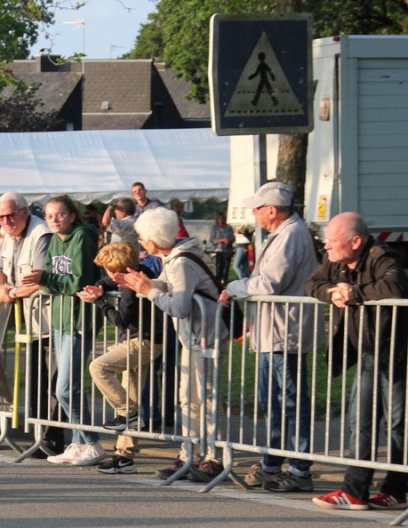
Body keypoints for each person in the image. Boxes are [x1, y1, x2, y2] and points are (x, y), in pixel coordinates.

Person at [307, 212, 408, 511]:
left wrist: (354, 294)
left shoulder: (383, 257)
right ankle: (354, 491)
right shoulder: (335, 261)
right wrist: (331, 292)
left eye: (332, 240)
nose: (326, 246)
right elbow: (312, 283)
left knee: (397, 422)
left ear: (356, 242)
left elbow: (394, 287)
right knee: (359, 420)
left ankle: (396, 490)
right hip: (368, 351)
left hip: (402, 352)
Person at [219, 181, 318, 493]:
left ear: (272, 211)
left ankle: (299, 469)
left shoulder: (291, 234)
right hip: (273, 331)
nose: (254, 213)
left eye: (258, 208)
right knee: (273, 402)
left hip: (284, 332)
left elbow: (268, 283)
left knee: (289, 401)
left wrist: (234, 287)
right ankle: (272, 463)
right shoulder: (285, 233)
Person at [116, 207, 220, 481]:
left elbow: (179, 306)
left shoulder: (182, 261)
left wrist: (148, 291)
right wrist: (141, 283)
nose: (140, 242)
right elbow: (166, 285)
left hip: (204, 338)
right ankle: (189, 454)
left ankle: (212, 458)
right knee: (188, 399)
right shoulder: (172, 258)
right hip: (193, 337)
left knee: (204, 398)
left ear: (152, 240)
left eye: (141, 237)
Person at [21, 195, 104, 466]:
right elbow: (50, 281)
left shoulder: (82, 237)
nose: (54, 219)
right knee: (68, 389)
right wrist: (47, 280)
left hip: (79, 321)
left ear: (71, 215)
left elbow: (78, 281)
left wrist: (46, 279)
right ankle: (78, 443)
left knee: (65, 389)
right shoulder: (54, 240)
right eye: (49, 215)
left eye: (59, 214)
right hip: (59, 319)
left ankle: (92, 443)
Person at [0, 191, 64, 457]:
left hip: (49, 320)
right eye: (0, 217)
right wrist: (0, 289)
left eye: (10, 215)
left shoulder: (41, 234)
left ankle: (52, 439)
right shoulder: (9, 236)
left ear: (24, 212)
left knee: (53, 382)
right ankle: (38, 437)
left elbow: (37, 279)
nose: (5, 222)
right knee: (35, 380)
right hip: (29, 324)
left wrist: (11, 293)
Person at [80, 242, 158, 473]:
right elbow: (106, 281)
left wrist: (99, 302)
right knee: (130, 391)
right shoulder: (133, 274)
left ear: (119, 269)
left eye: (109, 270)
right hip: (141, 339)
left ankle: (130, 414)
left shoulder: (130, 285)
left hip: (144, 340)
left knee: (98, 367)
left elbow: (121, 319)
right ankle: (124, 457)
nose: (108, 274)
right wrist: (99, 287)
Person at [209, 212, 235, 284]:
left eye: (222, 219)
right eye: (220, 219)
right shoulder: (214, 228)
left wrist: (229, 240)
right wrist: (221, 240)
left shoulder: (229, 228)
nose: (221, 221)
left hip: (227, 250)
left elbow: (233, 238)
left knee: (226, 268)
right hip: (217, 250)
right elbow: (212, 239)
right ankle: (217, 282)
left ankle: (224, 281)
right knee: (218, 267)